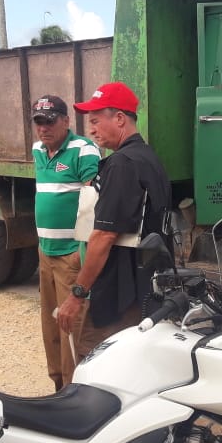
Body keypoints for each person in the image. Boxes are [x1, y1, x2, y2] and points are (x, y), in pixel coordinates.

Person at [56, 82, 171, 354]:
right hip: (146, 285)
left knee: (97, 364)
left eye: (96, 121)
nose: (91, 129)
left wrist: (76, 295)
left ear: (119, 118)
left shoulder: (122, 164)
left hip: (121, 296)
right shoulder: (149, 157)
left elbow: (105, 235)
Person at [31, 95, 100, 390]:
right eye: (38, 122)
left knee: (71, 328)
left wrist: (80, 251)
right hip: (45, 252)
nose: (43, 128)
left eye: (49, 121)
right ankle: (57, 386)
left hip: (69, 255)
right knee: (50, 327)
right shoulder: (37, 150)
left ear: (65, 121)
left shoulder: (83, 150)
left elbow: (92, 203)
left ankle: (73, 393)